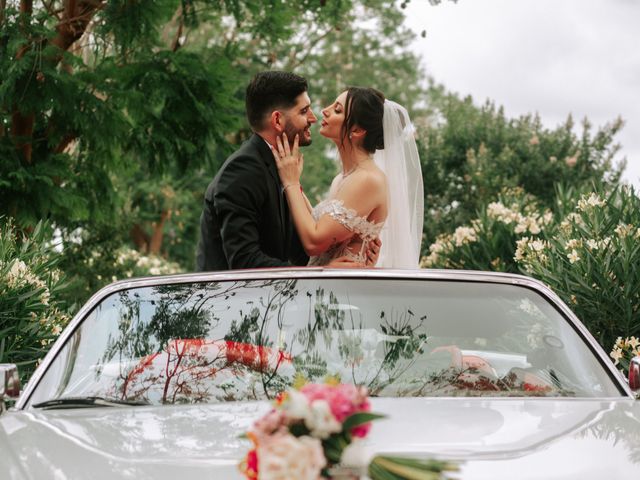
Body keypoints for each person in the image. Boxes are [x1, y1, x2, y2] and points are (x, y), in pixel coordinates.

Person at [195, 72, 379, 271]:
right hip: (230, 300)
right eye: (304, 111)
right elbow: (244, 261)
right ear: (277, 120)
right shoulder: (243, 170)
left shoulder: (282, 168)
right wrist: (320, 273)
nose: (314, 118)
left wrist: (345, 253)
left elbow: (296, 256)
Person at [272, 87, 424, 268]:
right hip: (329, 286)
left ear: (357, 130)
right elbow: (319, 230)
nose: (324, 111)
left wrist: (291, 182)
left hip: (345, 290)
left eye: (337, 110)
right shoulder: (341, 179)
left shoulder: (368, 180)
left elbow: (314, 242)